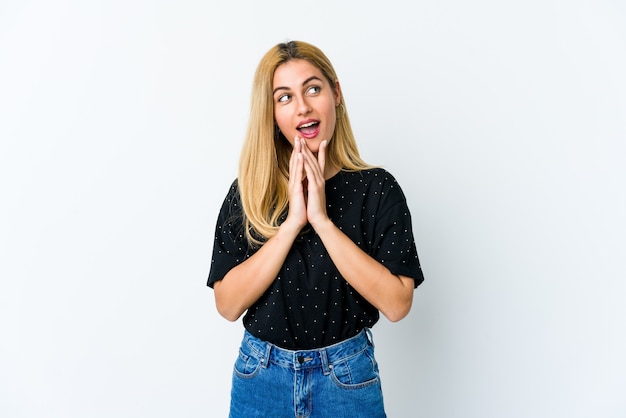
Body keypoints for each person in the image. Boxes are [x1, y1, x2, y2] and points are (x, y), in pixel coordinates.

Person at [207, 40, 424, 418]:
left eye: (313, 88)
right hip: (261, 378)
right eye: (284, 97)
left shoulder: (376, 188)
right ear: (272, 113)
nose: (303, 106)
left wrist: (322, 221)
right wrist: (293, 224)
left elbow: (397, 303)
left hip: (346, 379)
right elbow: (227, 305)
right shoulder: (250, 190)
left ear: (335, 93)